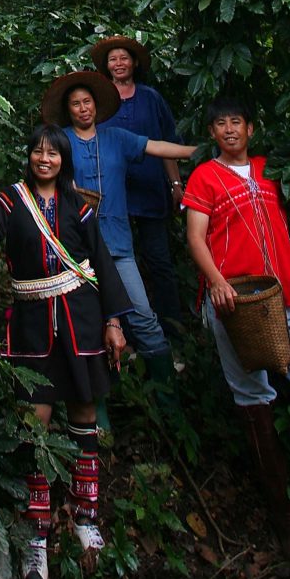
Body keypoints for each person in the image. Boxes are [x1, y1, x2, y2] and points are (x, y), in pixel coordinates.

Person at [182, 96, 290, 568]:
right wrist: (216, 284)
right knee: (252, 398)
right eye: (220, 123)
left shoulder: (268, 170)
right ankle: (286, 521)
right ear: (213, 133)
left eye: (237, 120)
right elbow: (195, 235)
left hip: (285, 300)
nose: (229, 129)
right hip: (233, 301)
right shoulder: (204, 176)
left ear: (250, 129)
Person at [0, 123, 131, 579]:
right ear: (28, 156)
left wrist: (114, 321)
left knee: (84, 416)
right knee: (33, 427)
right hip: (31, 329)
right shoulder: (10, 201)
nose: (45, 159)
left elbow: (100, 261)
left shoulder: (78, 207)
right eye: (37, 152)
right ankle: (35, 536)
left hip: (81, 321)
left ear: (64, 160)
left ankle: (87, 516)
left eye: (53, 153)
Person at [41, 71, 193, 398]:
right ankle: (100, 407)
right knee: (89, 326)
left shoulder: (118, 138)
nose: (83, 109)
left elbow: (157, 146)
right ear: (68, 111)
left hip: (119, 246)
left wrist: (202, 152)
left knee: (143, 318)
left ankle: (167, 402)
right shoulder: (61, 142)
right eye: (75, 104)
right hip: (76, 251)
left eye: (87, 102)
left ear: (96, 105)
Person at [91, 35, 185, 338]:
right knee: (116, 261)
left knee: (158, 259)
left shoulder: (150, 98)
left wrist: (175, 183)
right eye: (113, 59)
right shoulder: (101, 101)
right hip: (111, 197)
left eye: (124, 58)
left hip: (150, 191)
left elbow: (165, 141)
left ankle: (172, 328)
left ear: (134, 63)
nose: (118, 64)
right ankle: (124, 331)